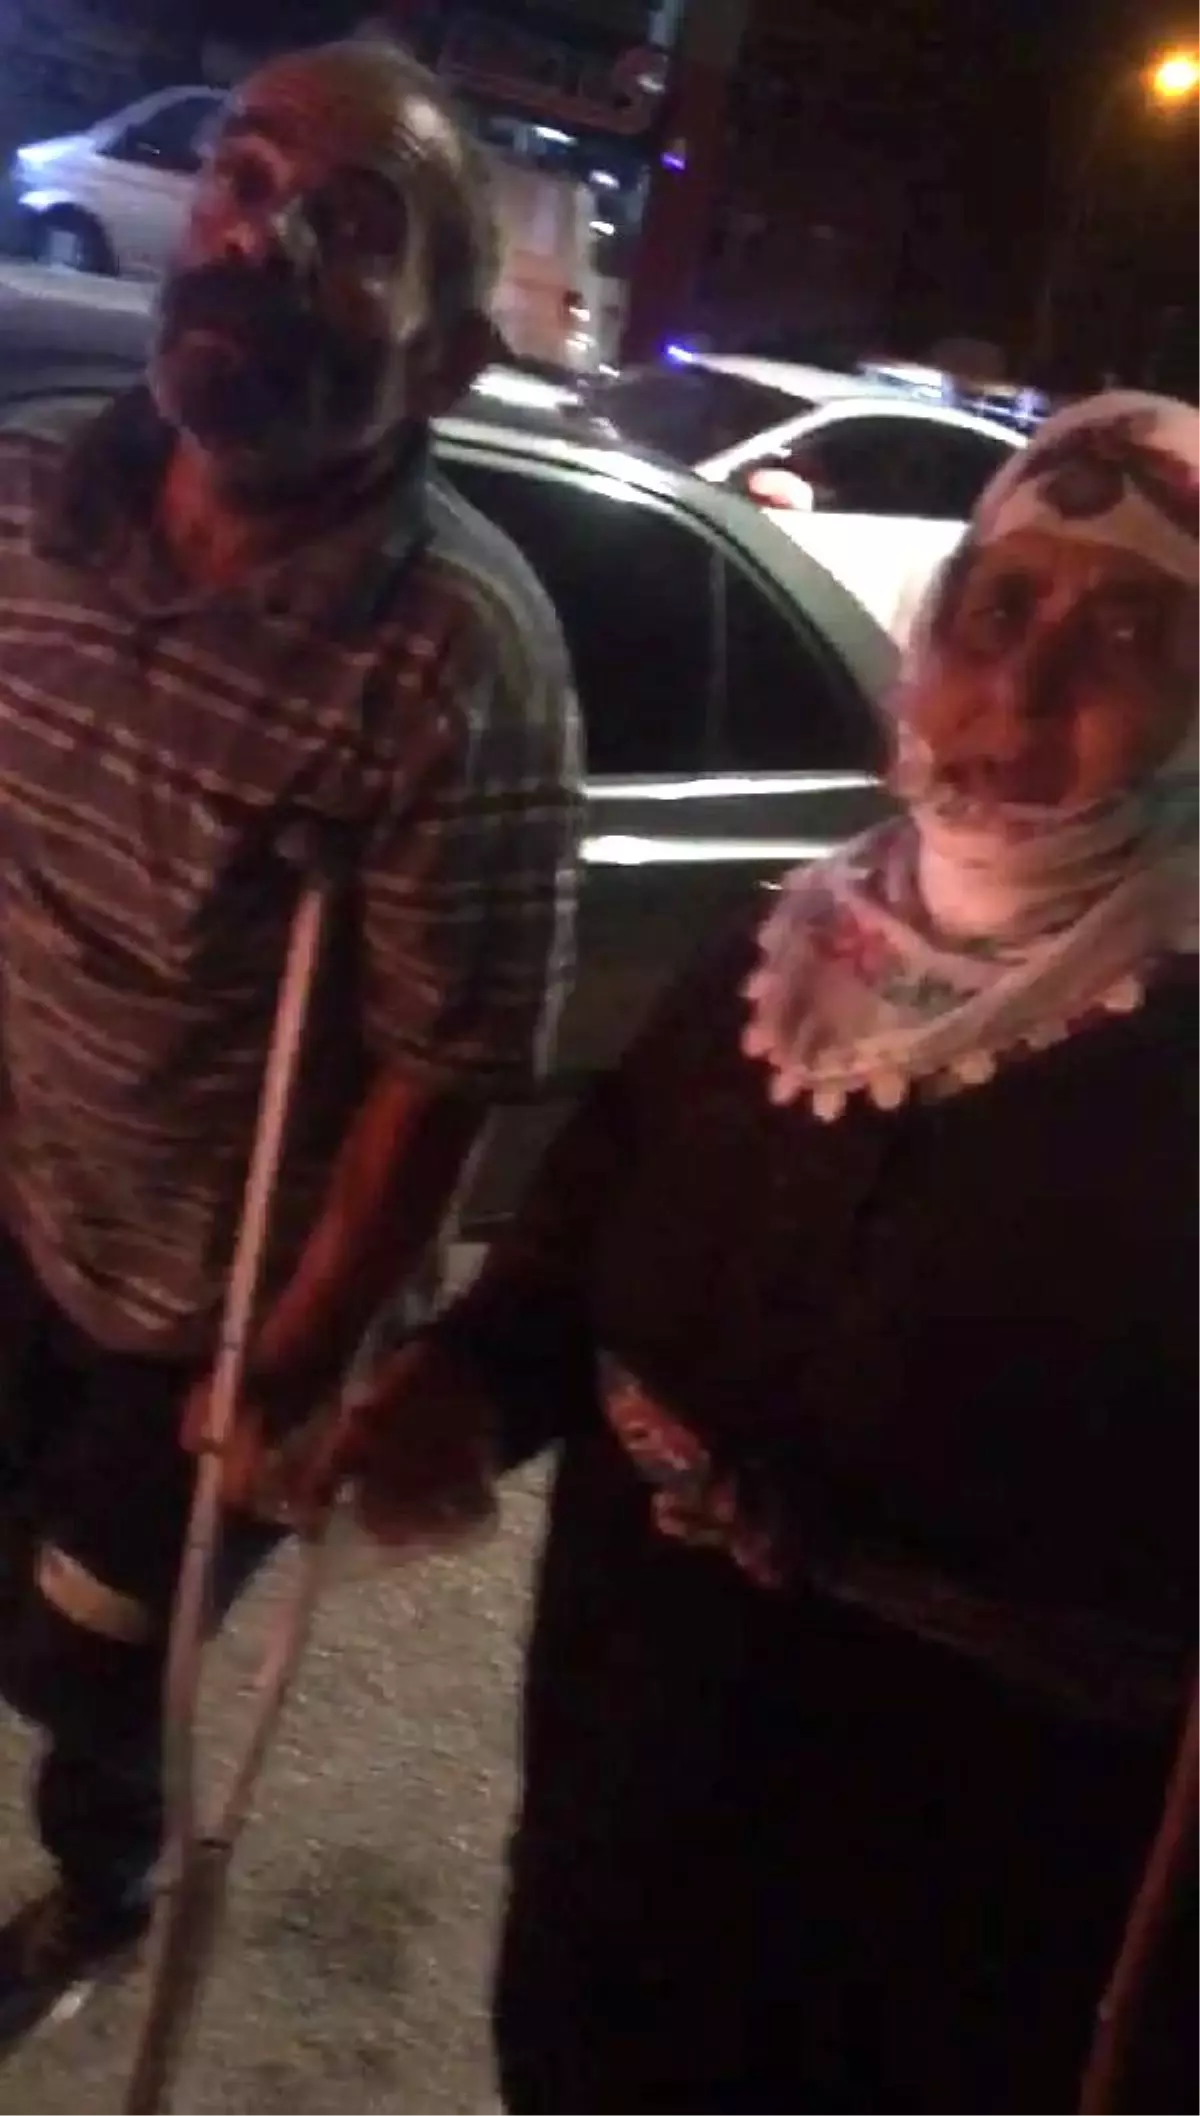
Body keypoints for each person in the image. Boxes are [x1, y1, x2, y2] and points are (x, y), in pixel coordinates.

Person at [282, 392, 1200, 2113]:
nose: (1024, 685)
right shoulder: (792, 950)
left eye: (1133, 632)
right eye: (1001, 607)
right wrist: (463, 1390)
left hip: (967, 1901)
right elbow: (574, 1241)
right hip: (631, 1770)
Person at [0, 36, 581, 2044]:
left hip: (218, 1298)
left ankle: (106, 1874)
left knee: (94, 1659)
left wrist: (297, 1357)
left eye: (353, 228)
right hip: (25, 1195)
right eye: (245, 184)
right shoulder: (29, 499)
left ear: (445, 360)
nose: (262, 240)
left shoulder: (455, 648)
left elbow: (448, 1053)